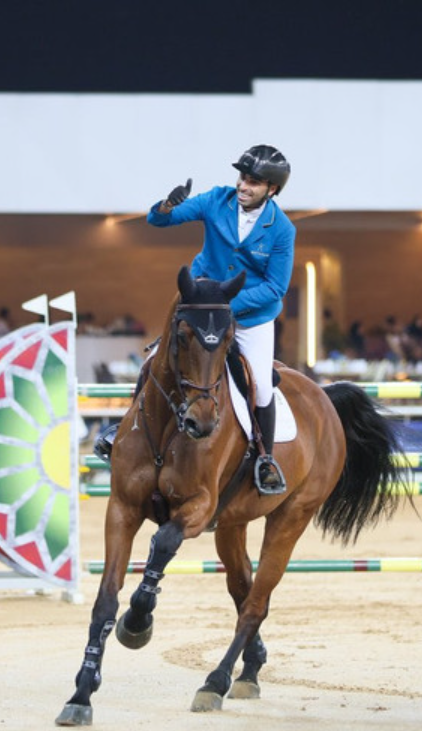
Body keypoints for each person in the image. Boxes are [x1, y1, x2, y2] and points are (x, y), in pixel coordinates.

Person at [96, 144, 295, 495]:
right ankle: (123, 432)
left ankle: (265, 458)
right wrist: (167, 205)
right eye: (242, 177)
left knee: (261, 384)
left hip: (249, 317)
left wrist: (227, 306)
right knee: (155, 362)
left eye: (253, 182)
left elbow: (275, 287)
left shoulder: (282, 229)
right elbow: (159, 220)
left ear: (272, 189)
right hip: (201, 305)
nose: (243, 185)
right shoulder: (217, 200)